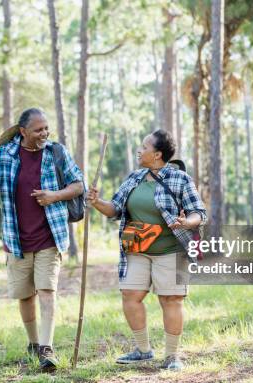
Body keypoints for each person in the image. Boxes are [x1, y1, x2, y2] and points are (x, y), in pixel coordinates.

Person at [86, 129, 207, 371]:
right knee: (130, 295)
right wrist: (97, 202)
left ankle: (172, 356)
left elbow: (199, 214)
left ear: (158, 154)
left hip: (171, 250)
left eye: (145, 147)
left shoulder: (179, 178)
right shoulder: (135, 178)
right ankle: (143, 350)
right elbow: (115, 209)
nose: (140, 150)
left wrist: (187, 222)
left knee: (170, 299)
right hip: (137, 249)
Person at [0, 108, 84, 372]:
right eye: (38, 130)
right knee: (25, 296)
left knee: (47, 291)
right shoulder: (3, 155)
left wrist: (54, 195)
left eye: (46, 128)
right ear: (23, 131)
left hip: (50, 236)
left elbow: (79, 184)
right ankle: (34, 343)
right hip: (16, 240)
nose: (44, 134)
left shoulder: (55, 152)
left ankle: (47, 348)